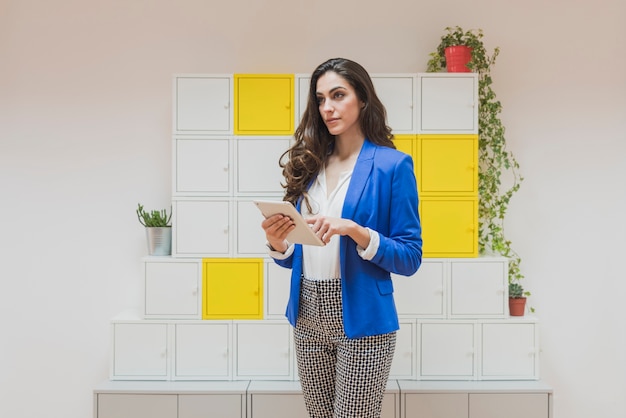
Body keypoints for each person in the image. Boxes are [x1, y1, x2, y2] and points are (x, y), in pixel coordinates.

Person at [261, 57, 422, 418]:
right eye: (320, 99)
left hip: (363, 318)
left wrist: (356, 231)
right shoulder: (310, 163)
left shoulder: (392, 165)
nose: (327, 108)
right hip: (307, 314)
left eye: (338, 95)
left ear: (362, 99)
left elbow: (411, 256)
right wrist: (278, 243)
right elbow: (300, 251)